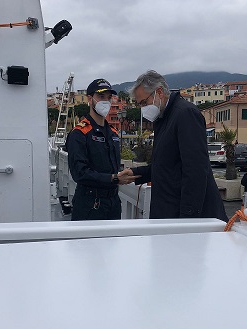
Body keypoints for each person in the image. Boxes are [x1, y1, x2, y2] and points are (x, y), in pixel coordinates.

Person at [118, 70, 228, 221]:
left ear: (159, 92)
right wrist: (137, 173)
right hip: (169, 213)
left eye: (144, 102)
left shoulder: (185, 114)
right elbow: (167, 165)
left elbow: (195, 170)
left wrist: (186, 219)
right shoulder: (163, 118)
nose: (143, 109)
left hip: (185, 217)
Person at [66, 78, 137, 221]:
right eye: (101, 96)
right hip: (90, 204)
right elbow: (79, 173)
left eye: (109, 97)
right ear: (90, 98)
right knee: (86, 243)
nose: (106, 101)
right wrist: (113, 178)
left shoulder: (113, 133)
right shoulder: (80, 133)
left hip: (113, 203)